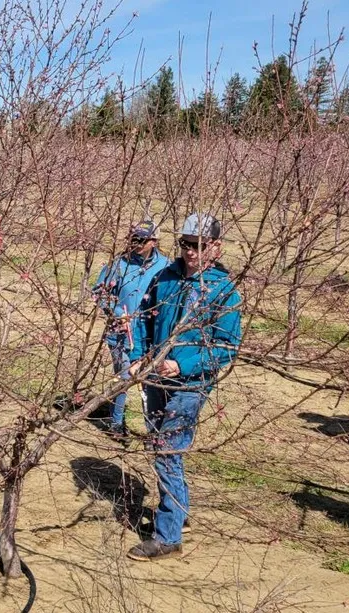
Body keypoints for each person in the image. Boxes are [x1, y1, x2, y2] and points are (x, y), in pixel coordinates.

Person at [126, 212, 242, 562]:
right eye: (187, 244)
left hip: (190, 385)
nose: (192, 251)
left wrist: (183, 364)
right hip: (155, 378)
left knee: (166, 451)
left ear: (216, 247)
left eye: (200, 245)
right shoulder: (166, 276)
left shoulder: (224, 290)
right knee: (159, 446)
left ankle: (168, 536)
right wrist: (136, 355)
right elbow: (146, 318)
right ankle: (178, 512)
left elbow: (225, 348)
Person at [92, 220, 169, 439]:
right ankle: (116, 424)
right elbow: (98, 292)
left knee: (151, 383)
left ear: (153, 242)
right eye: (133, 239)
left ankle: (154, 432)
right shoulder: (119, 264)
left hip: (150, 336)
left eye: (142, 240)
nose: (136, 244)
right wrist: (117, 312)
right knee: (124, 376)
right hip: (119, 334)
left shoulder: (166, 267)